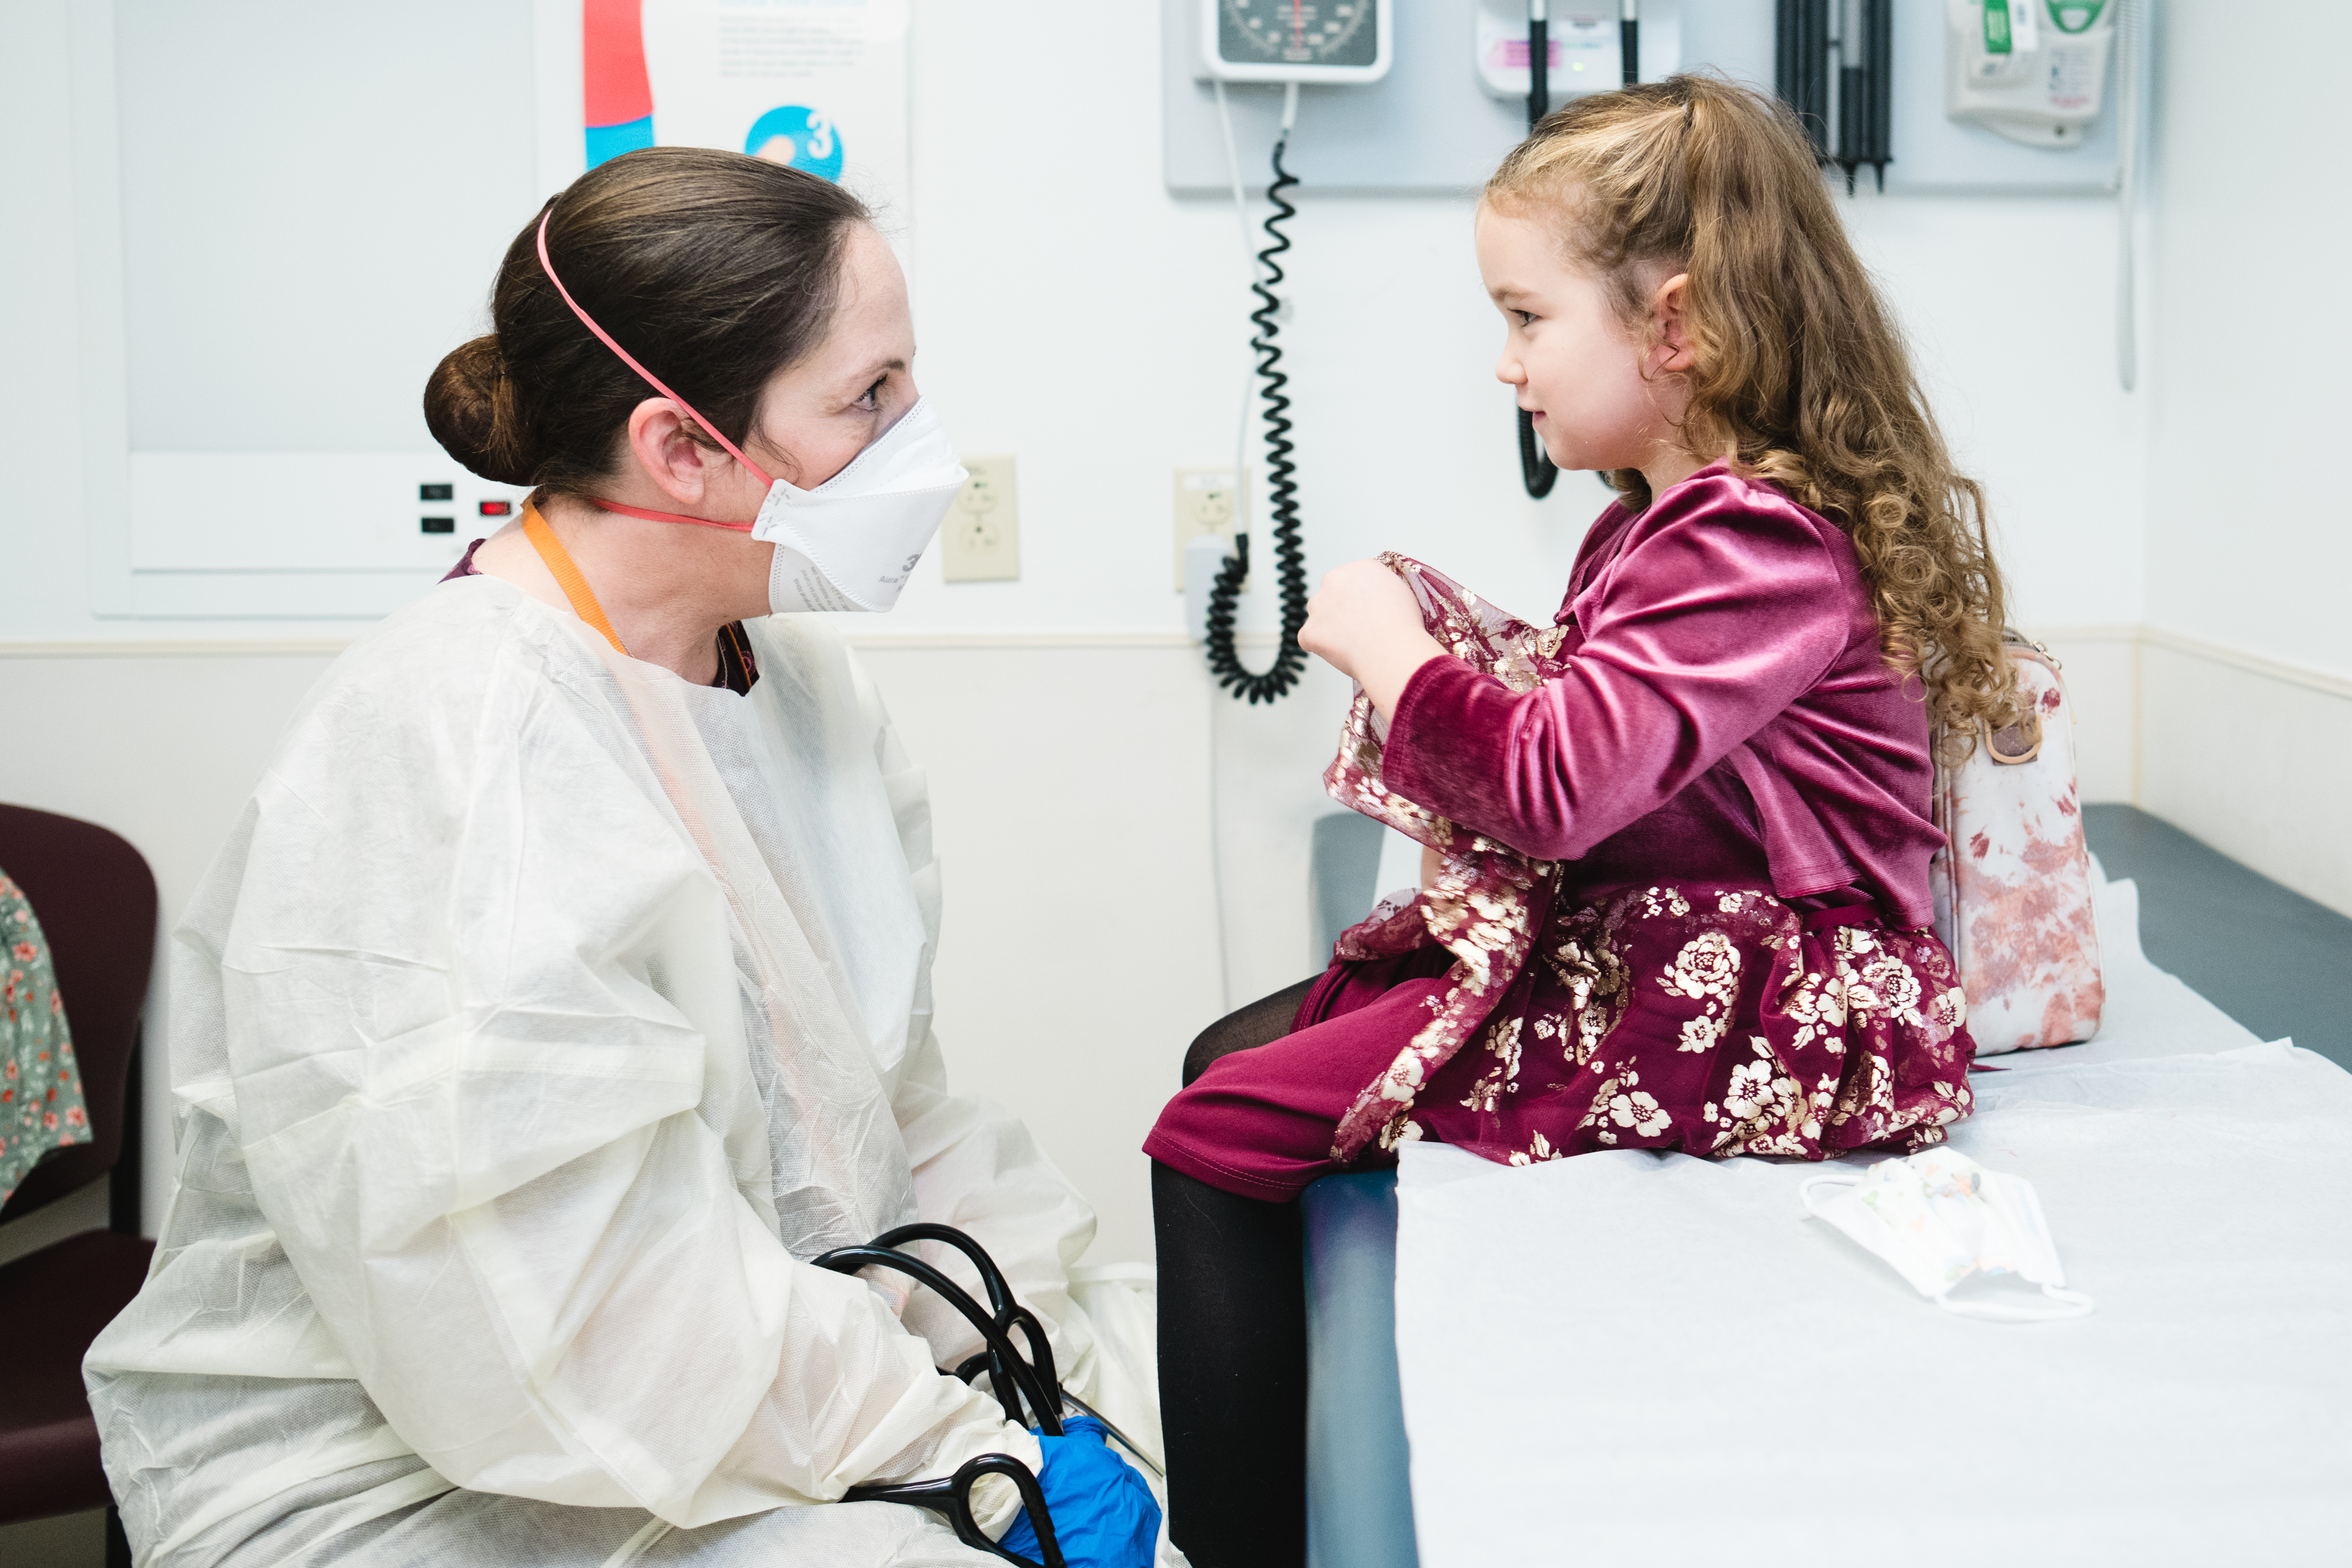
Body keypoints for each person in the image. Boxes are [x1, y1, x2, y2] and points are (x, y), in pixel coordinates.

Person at [85, 148, 1164, 1568]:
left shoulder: (793, 690)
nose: (922, 445)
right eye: (866, 400)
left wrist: (1050, 1351)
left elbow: (885, 1113)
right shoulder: (456, 751)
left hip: (744, 1386)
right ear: (681, 449)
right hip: (425, 1473)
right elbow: (568, 1312)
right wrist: (958, 1447)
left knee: (1163, 1388)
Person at [1144, 76, 2016, 1566]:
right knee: (1229, 1049)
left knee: (1210, 1130)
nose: (1504, 364)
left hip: (1784, 992)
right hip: (1670, 935)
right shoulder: (1651, 522)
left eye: (1526, 318)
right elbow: (1615, 737)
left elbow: (1555, 784)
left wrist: (1389, 650)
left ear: (1673, 326)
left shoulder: (1756, 536)